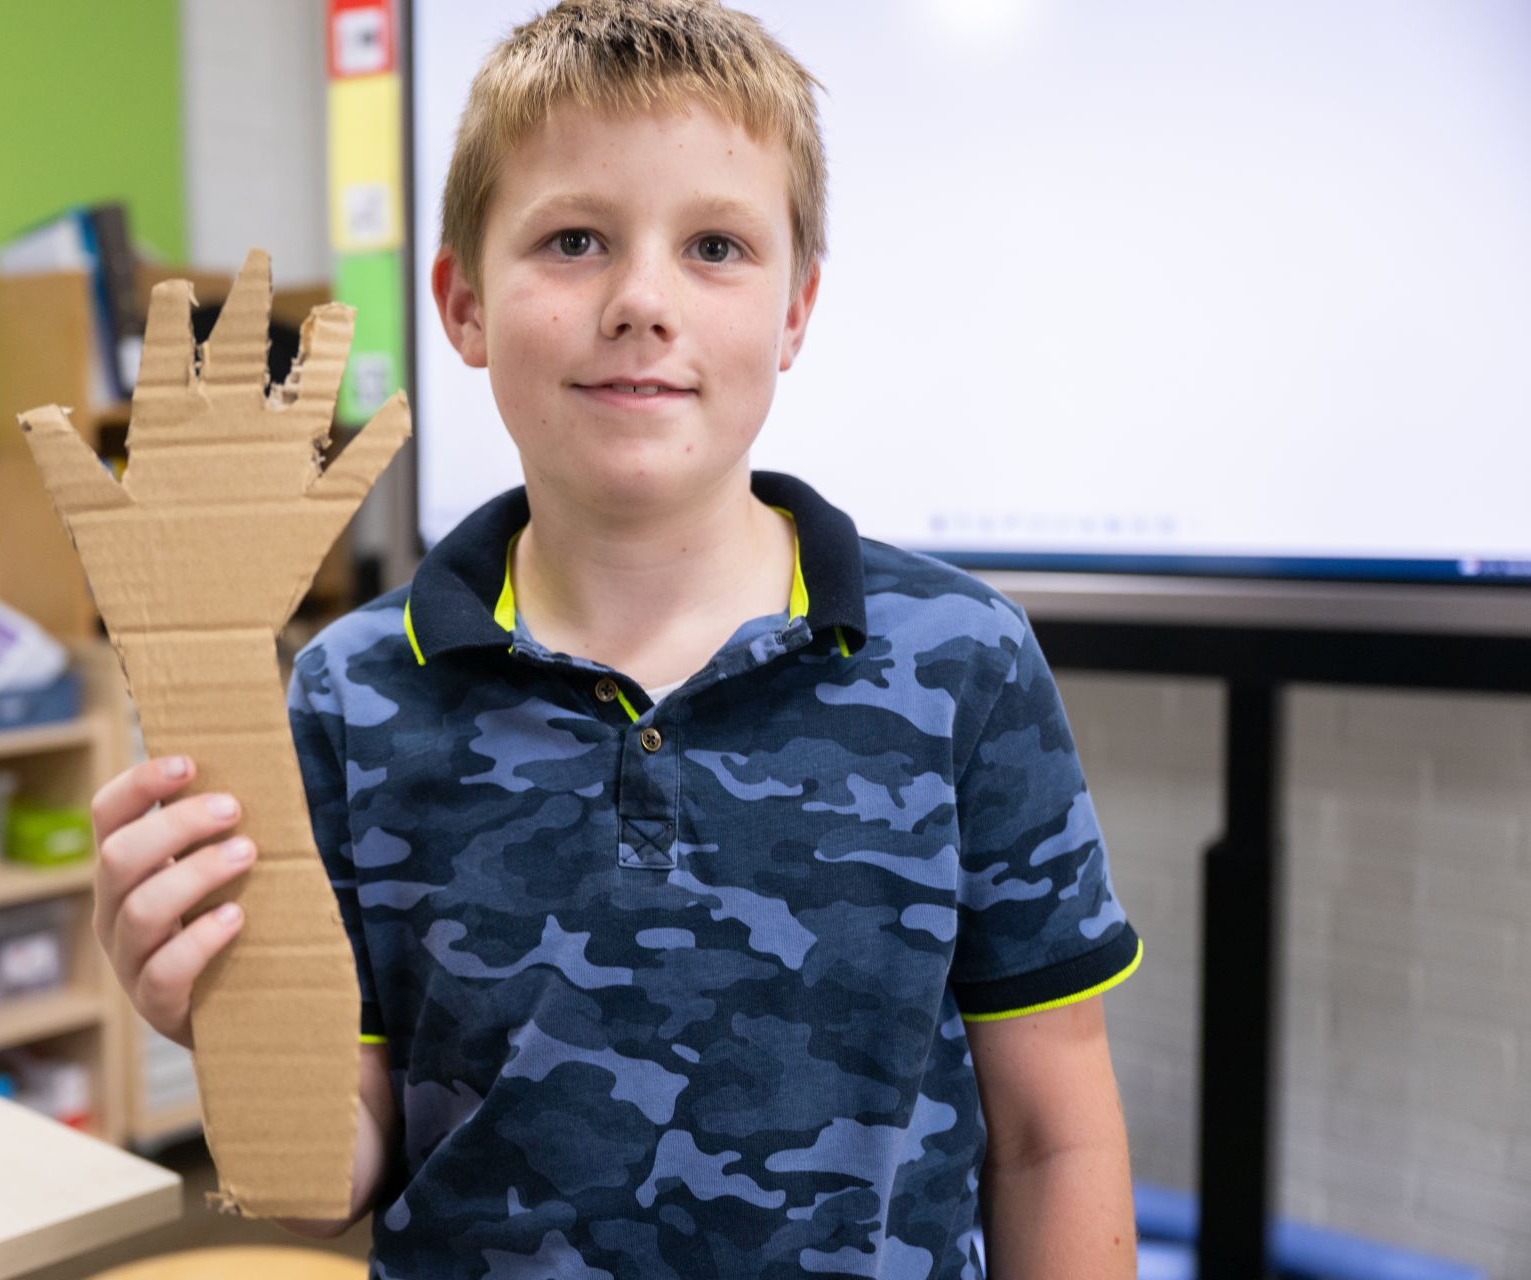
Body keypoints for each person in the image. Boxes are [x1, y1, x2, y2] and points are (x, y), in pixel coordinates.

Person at [88, 1, 1143, 1275]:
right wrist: (223, 1016)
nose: (643, 300)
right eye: (574, 240)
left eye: (715, 246)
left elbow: (1052, 1140)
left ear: (795, 310)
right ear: (464, 303)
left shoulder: (963, 661)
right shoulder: (350, 698)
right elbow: (327, 1180)